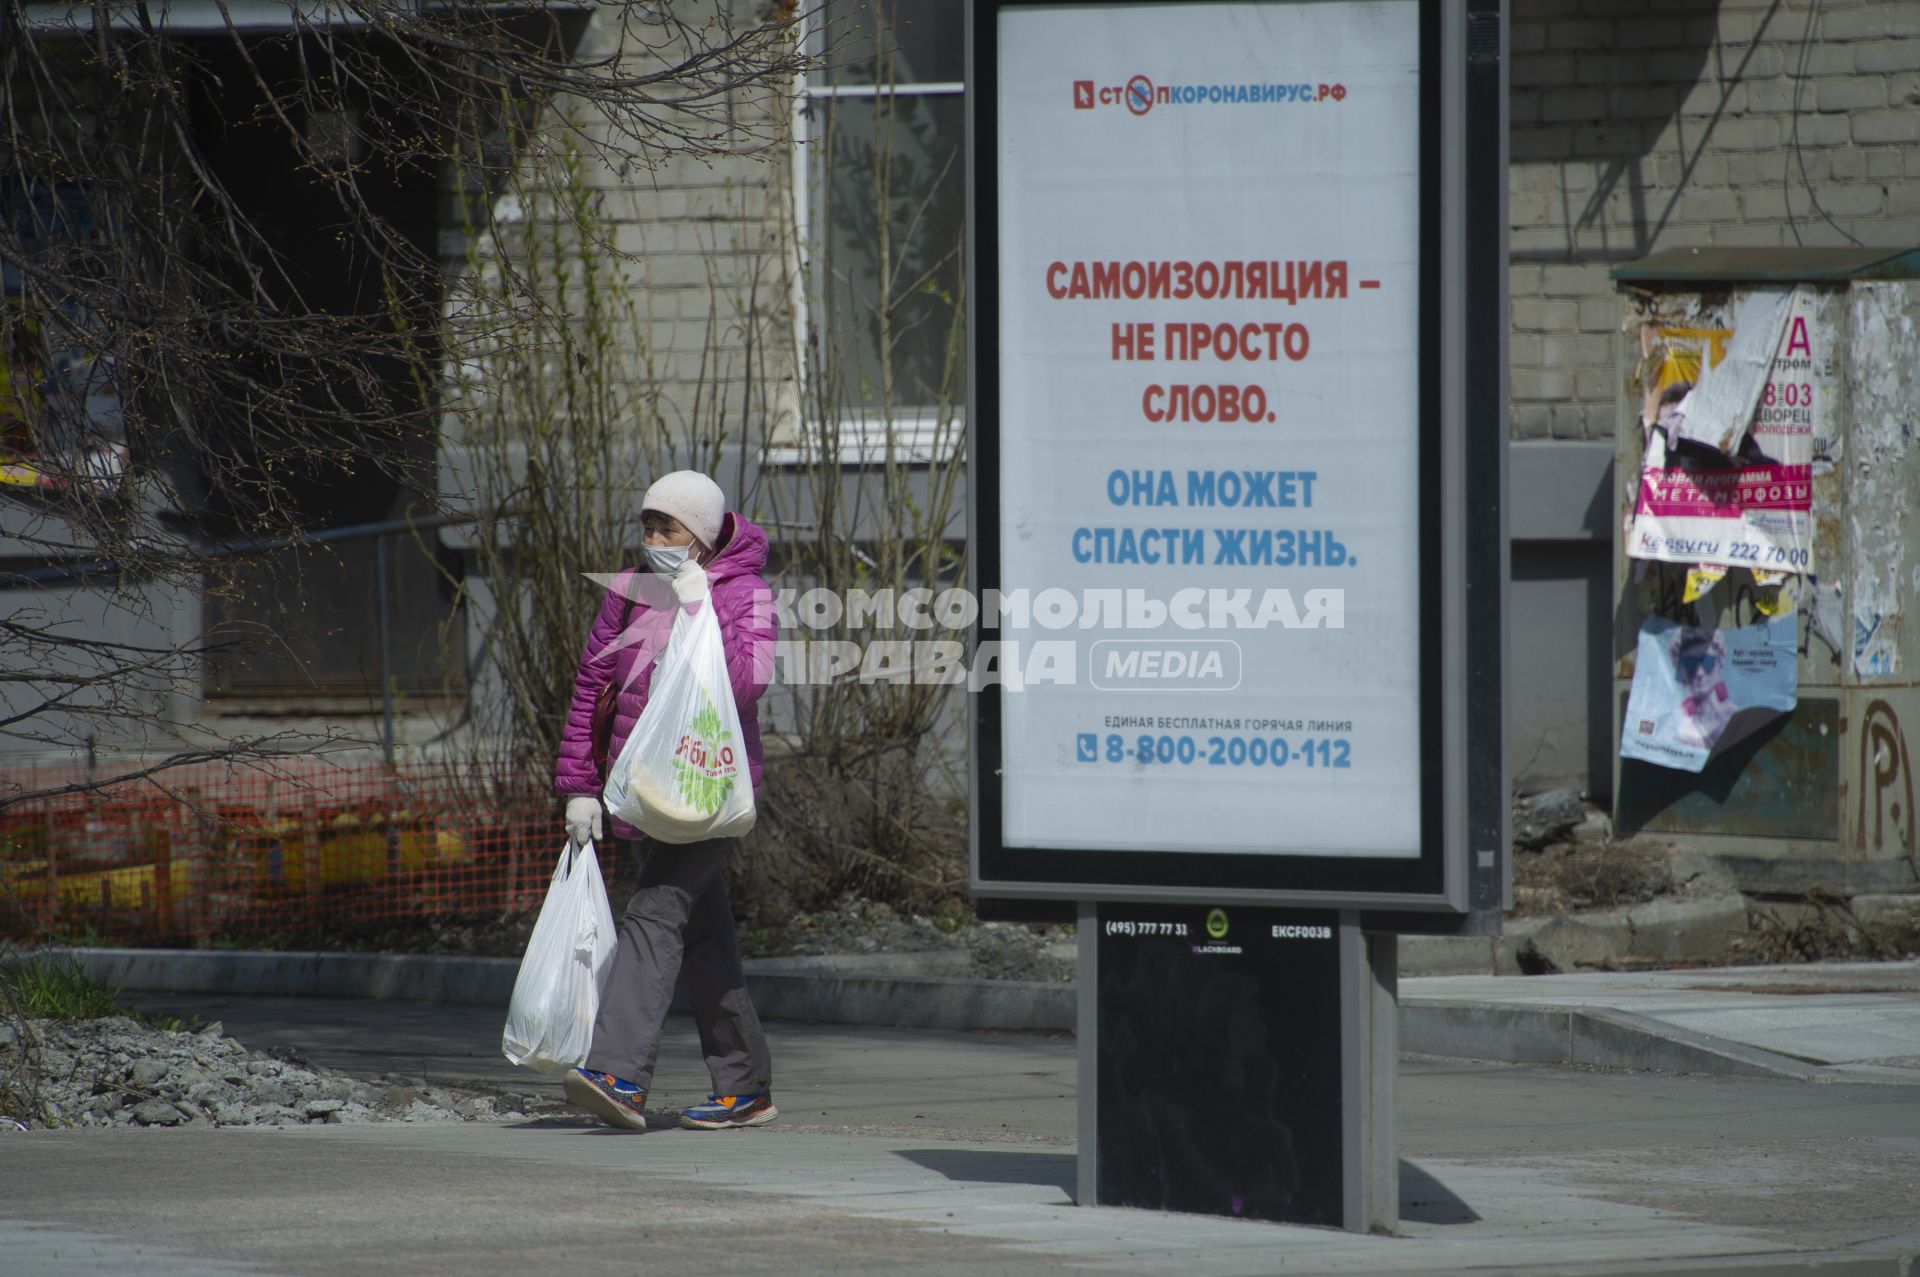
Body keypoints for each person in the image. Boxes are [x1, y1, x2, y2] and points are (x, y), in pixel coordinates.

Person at [552, 470, 778, 1131]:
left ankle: (617, 1073)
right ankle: (744, 1084)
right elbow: (593, 685)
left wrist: (699, 607)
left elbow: (746, 684)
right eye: (647, 524)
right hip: (648, 791)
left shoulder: (747, 593)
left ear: (703, 537)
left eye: (668, 527)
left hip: (708, 792)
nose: (654, 539)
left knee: (653, 912)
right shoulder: (630, 592)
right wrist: (579, 788)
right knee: (704, 933)